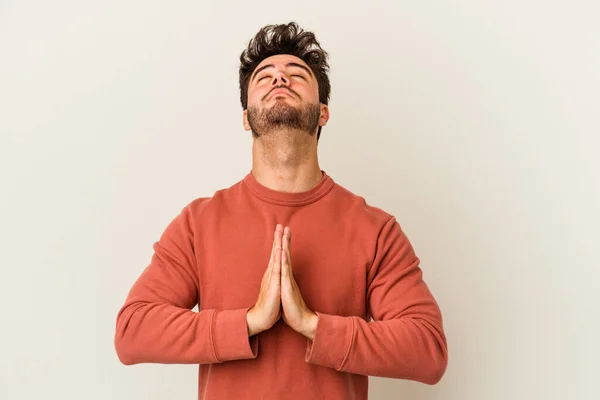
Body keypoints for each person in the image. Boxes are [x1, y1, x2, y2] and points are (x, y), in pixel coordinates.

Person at [114, 21, 448, 400]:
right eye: (264, 77)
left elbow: (428, 350)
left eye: (297, 74)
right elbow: (132, 331)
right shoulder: (198, 223)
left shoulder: (375, 229)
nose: (280, 81)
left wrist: (312, 325)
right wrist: (249, 322)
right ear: (246, 117)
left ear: (323, 112)